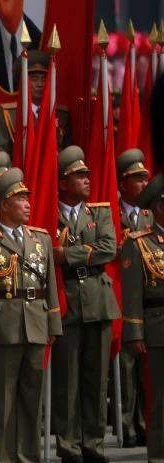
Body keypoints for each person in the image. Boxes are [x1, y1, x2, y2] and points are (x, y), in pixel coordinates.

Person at [0, 167, 61, 463]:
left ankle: (28, 456)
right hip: (2, 326)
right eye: (20, 199)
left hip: (35, 323)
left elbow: (50, 286)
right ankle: (3, 458)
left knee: (32, 399)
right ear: (3, 205)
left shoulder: (40, 238)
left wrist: (53, 323)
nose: (28, 203)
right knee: (3, 399)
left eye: (27, 198)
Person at [51, 146, 119, 463]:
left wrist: (70, 255)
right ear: (63, 183)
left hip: (99, 300)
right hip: (68, 302)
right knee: (67, 381)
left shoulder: (100, 212)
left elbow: (109, 248)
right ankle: (69, 445)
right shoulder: (48, 214)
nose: (86, 180)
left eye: (86, 174)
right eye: (79, 176)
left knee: (96, 379)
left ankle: (94, 443)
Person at [118, 174, 164, 460]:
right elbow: (133, 293)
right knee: (159, 397)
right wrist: (135, 333)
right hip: (158, 326)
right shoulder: (139, 243)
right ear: (159, 207)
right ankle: (158, 453)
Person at [113, 149, 151, 447]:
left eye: (145, 178)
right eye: (138, 179)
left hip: (149, 298)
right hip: (119, 293)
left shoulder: (153, 213)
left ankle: (147, 423)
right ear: (124, 183)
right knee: (125, 368)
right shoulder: (111, 212)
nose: (144, 183)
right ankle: (127, 426)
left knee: (147, 367)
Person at [0, 51, 71, 155]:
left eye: (44, 79)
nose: (40, 84)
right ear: (23, 82)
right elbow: (1, 156)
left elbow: (67, 155)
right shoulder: (8, 115)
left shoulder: (61, 115)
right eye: (34, 79)